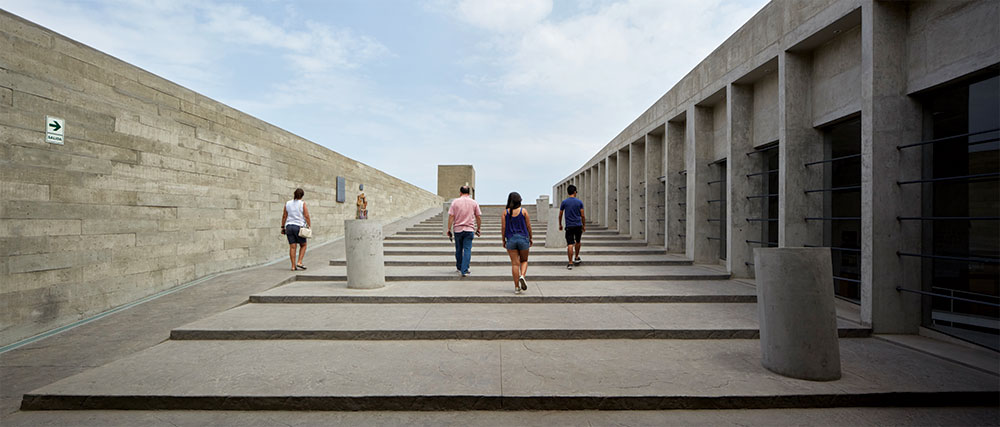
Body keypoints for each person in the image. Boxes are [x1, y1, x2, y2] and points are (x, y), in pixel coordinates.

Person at [446, 185, 481, 277]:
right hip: (469, 229)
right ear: (469, 193)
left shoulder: (455, 202)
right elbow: (478, 216)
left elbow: (451, 216)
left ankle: (459, 267)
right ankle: (464, 270)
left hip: (457, 229)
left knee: (458, 249)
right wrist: (478, 229)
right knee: (467, 249)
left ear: (460, 192)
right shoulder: (474, 202)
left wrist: (449, 229)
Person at [501, 192, 532, 294]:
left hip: (511, 240)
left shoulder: (505, 213)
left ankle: (516, 287)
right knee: (524, 260)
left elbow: (503, 228)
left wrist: (503, 240)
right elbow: (528, 226)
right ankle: (522, 276)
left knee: (515, 264)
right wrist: (530, 238)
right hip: (523, 239)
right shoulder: (524, 211)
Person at [280, 188, 311, 271]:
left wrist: (282, 227)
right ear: (302, 195)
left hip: (289, 226)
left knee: (292, 247)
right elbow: (306, 215)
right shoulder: (302, 204)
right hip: (298, 226)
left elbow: (284, 216)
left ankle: (293, 266)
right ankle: (299, 262)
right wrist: (309, 225)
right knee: (303, 245)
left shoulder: (287, 203)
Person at [559, 184, 585, 270]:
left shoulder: (564, 202)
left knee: (570, 244)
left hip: (569, 226)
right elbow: (582, 215)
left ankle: (570, 263)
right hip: (578, 225)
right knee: (578, 241)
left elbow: (560, 214)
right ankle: (576, 257)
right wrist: (584, 225)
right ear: (574, 192)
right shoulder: (579, 202)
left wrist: (560, 224)